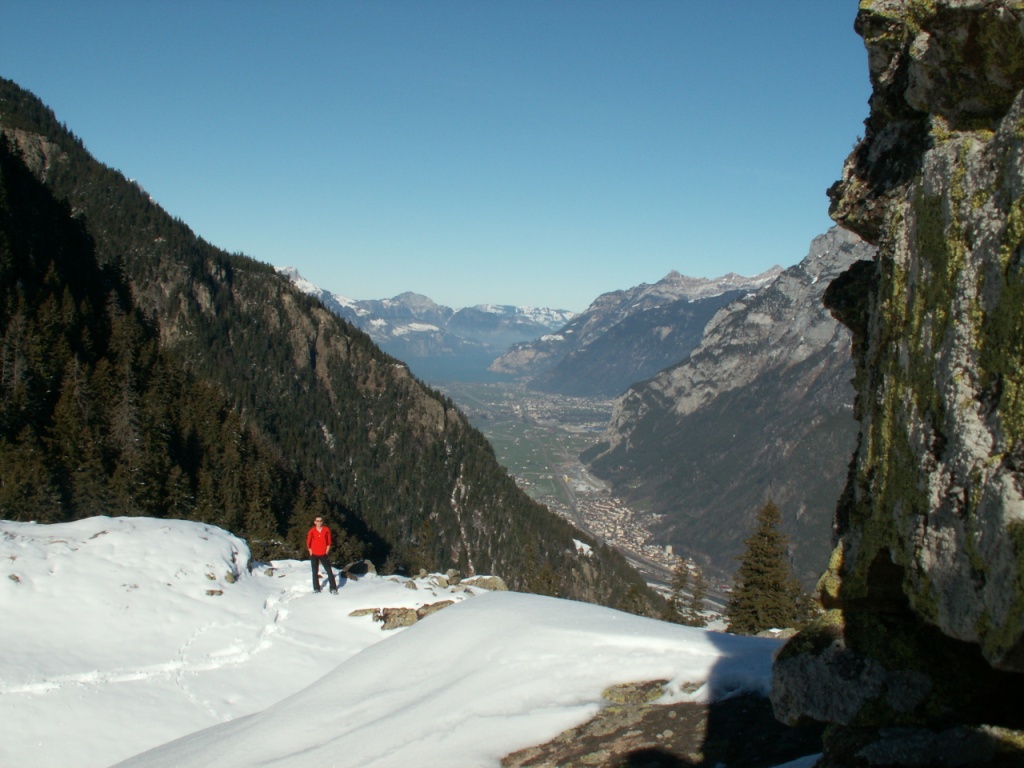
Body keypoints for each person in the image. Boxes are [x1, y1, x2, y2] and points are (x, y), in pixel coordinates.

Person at [306, 516, 338, 594]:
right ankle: (316, 588)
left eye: (320, 521)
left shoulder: (326, 530)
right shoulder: (312, 531)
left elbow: (329, 542)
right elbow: (308, 542)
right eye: (317, 521)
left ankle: (333, 588)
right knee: (315, 572)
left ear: (322, 522)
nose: (319, 522)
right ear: (315, 522)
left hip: (323, 554)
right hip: (314, 554)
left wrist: (326, 551)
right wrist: (310, 552)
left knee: (329, 571)